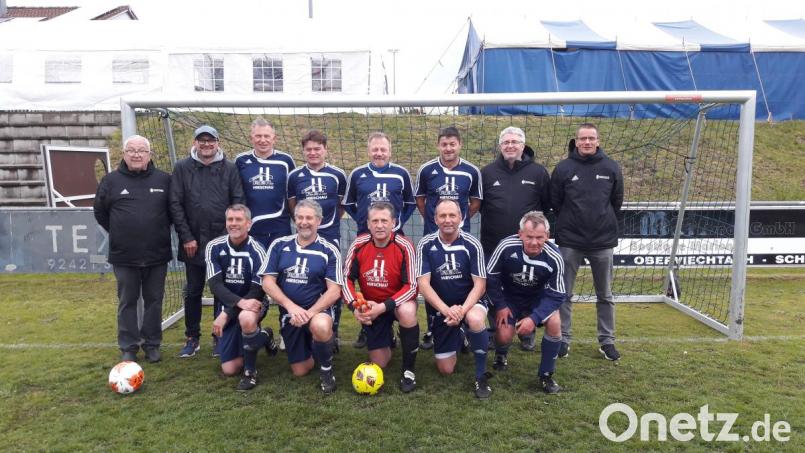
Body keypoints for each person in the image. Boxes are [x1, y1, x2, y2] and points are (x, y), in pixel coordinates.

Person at [94, 135, 172, 363]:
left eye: (141, 150)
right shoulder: (110, 181)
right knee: (127, 301)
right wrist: (121, 231)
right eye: (131, 150)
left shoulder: (164, 180)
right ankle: (128, 346)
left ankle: (152, 344)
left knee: (154, 301)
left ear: (149, 154)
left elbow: (172, 211)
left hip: (157, 254)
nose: (136, 154)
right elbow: (100, 213)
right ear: (124, 154)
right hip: (124, 255)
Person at [551, 123, 624, 361]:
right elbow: (556, 203)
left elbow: (616, 202)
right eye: (583, 138)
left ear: (598, 140)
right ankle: (563, 339)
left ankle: (607, 341)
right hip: (570, 241)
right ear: (576, 140)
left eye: (591, 138)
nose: (587, 142)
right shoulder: (563, 168)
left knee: (605, 295)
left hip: (602, 242)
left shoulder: (611, 167)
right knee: (564, 293)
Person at [170, 125, 244, 358]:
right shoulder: (182, 168)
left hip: (222, 243)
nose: (206, 145)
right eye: (201, 141)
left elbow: (238, 202)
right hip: (193, 243)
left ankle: (219, 336)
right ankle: (192, 337)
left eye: (210, 140)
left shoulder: (230, 168)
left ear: (217, 143)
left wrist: (227, 238)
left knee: (222, 291)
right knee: (192, 290)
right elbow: (175, 204)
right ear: (195, 143)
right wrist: (187, 237)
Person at [260, 200, 343, 394]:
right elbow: (267, 282)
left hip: (317, 312)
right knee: (300, 371)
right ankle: (315, 346)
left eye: (309, 218)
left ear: (319, 221)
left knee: (320, 326)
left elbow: (334, 291)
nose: (304, 222)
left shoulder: (329, 249)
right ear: (294, 219)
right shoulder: (279, 245)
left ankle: (326, 370)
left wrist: (309, 312)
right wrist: (291, 307)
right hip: (291, 314)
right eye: (300, 217)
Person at [480, 126, 551, 351]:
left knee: (528, 285)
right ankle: (495, 329)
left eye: (515, 142)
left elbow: (547, 207)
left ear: (523, 145)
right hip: (493, 244)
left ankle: (526, 331)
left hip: (527, 247)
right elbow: (480, 206)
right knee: (494, 285)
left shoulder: (538, 173)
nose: (510, 146)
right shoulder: (487, 173)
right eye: (506, 142)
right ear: (500, 146)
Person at [343, 131, 415, 348]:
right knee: (368, 279)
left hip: (394, 235)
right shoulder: (357, 174)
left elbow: (411, 203)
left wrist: (397, 223)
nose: (379, 153)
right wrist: (363, 222)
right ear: (368, 151)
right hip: (366, 236)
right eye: (375, 149)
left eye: (383, 149)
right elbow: (348, 203)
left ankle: (397, 319)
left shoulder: (401, 173)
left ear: (390, 151)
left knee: (390, 278)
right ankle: (367, 325)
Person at [415, 126, 482, 350]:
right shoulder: (426, 170)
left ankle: (462, 322)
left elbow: (475, 202)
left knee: (458, 280)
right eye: (444, 144)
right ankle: (433, 328)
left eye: (452, 144)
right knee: (432, 281)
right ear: (438, 145)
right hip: (433, 236)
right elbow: (421, 200)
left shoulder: (471, 171)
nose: (448, 148)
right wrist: (437, 222)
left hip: (461, 236)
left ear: (459, 145)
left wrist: (456, 222)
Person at [416, 199, 491, 399]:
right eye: (443, 216)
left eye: (452, 215)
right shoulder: (425, 244)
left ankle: (480, 375)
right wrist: (447, 310)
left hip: (470, 304)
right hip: (442, 309)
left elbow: (480, 285)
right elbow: (423, 284)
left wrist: (461, 311)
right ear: (435, 219)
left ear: (461, 217)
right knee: (445, 369)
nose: (447, 220)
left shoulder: (472, 243)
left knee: (475, 319)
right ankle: (460, 335)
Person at [342, 202, 420, 393]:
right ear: (367, 224)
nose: (379, 225)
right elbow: (345, 280)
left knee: (408, 311)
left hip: (395, 304)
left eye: (384, 220)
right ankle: (388, 337)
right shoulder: (359, 244)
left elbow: (412, 286)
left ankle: (408, 370)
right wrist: (355, 307)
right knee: (380, 363)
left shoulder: (404, 246)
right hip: (371, 307)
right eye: (375, 221)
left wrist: (384, 306)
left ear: (393, 222)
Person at [486, 211, 566, 394]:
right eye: (529, 237)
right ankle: (501, 354)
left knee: (554, 322)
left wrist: (534, 317)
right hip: (510, 299)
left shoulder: (554, 256)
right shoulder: (506, 246)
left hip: (537, 300)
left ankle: (546, 374)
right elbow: (490, 277)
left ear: (547, 236)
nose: (534, 242)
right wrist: (500, 305)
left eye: (540, 237)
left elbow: (558, 293)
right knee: (505, 334)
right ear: (520, 234)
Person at [287, 130, 347, 350]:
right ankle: (292, 328)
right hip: (304, 237)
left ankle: (333, 331)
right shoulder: (294, 177)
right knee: (299, 279)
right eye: (308, 149)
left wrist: (325, 224)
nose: (313, 153)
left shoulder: (338, 175)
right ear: (303, 151)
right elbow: (294, 207)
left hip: (330, 236)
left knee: (333, 285)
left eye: (317, 148)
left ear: (325, 150)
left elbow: (340, 205)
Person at [207, 204, 276, 391]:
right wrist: (232, 309)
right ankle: (264, 336)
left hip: (254, 303)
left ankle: (250, 372)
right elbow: (215, 285)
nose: (234, 224)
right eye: (230, 219)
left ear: (249, 224)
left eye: (239, 220)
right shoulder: (214, 247)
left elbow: (257, 290)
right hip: (230, 306)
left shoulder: (258, 250)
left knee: (246, 317)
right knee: (229, 369)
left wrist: (227, 313)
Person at [235, 118, 296, 250]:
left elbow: (292, 194)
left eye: (266, 136)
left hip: (280, 229)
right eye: (258, 136)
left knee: (279, 269)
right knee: (253, 269)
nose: (262, 140)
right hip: (251, 228)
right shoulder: (241, 161)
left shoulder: (286, 161)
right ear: (251, 138)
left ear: (274, 138)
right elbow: (235, 194)